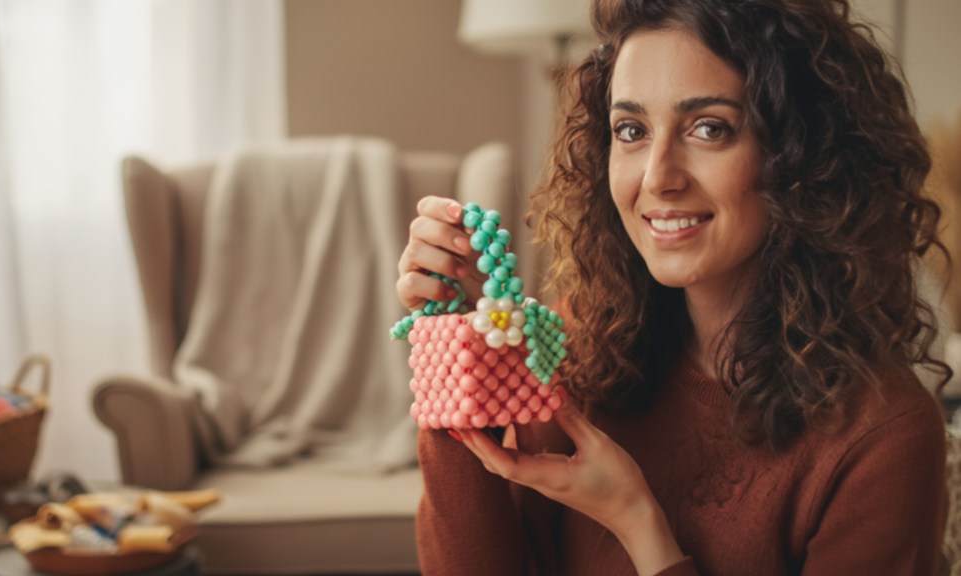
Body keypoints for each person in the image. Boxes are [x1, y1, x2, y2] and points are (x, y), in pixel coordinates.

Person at [394, 0, 950, 574]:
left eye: (709, 128)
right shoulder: (581, 340)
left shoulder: (883, 436)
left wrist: (637, 520)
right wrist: (454, 350)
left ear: (802, 156)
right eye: (631, 130)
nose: (658, 176)